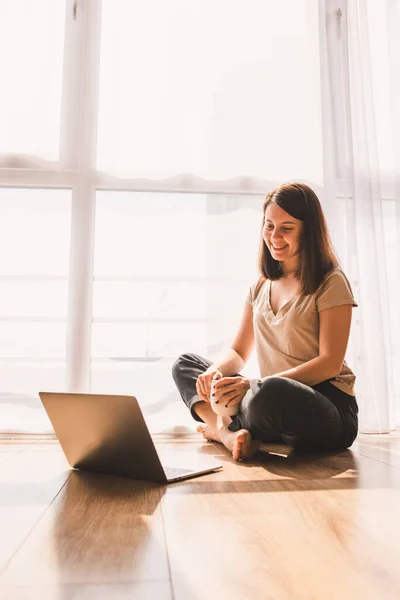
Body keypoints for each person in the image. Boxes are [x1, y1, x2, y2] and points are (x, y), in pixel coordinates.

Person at [172, 183, 359, 461]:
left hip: (327, 407)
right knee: (186, 365)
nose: (275, 236)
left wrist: (252, 385)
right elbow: (238, 352)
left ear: (308, 230)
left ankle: (223, 426)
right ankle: (228, 434)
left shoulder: (331, 282)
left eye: (287, 227)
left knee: (267, 393)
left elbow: (330, 363)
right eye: (269, 226)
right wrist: (215, 372)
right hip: (268, 398)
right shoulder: (260, 287)